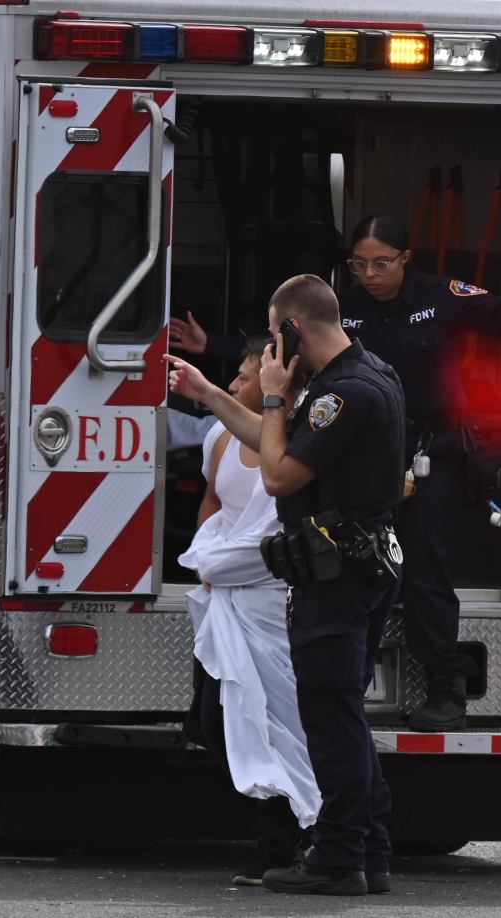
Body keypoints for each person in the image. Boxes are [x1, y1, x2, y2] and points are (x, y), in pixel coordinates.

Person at [166, 274, 407, 897]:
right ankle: (369, 852)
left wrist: (273, 397)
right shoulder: (366, 374)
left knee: (329, 721)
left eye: (277, 335)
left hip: (336, 577)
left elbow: (277, 474)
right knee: (342, 715)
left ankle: (338, 855)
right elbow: (277, 442)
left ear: (294, 327)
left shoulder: (342, 395)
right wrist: (212, 394)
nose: (273, 352)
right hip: (355, 569)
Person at [338, 214, 501, 732]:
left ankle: (445, 688)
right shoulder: (344, 307)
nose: (369, 273)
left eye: (381, 263)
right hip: (363, 456)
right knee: (352, 563)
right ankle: (343, 680)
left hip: (433, 452)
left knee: (425, 567)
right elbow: (291, 345)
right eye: (359, 263)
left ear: (406, 259)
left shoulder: (441, 295)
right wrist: (213, 351)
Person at [178, 338, 320, 887]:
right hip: (223, 599)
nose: (236, 385)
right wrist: (207, 560)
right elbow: (213, 503)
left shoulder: (302, 440)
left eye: (243, 378)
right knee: (217, 722)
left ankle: (300, 836)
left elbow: (281, 531)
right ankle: (276, 835)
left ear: (277, 385)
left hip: (271, 601)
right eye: (234, 378)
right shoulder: (220, 435)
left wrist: (226, 564)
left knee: (282, 723)